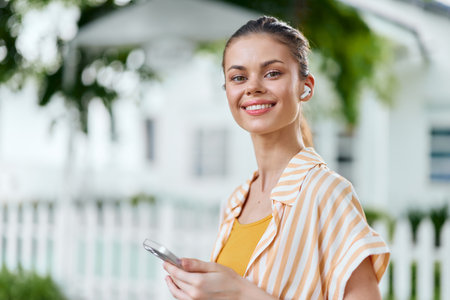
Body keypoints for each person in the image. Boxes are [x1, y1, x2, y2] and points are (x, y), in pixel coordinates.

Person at [163, 16, 390, 300]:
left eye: (272, 73)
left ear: (305, 86)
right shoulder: (235, 202)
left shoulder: (327, 193)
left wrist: (242, 293)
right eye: (238, 77)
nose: (253, 87)